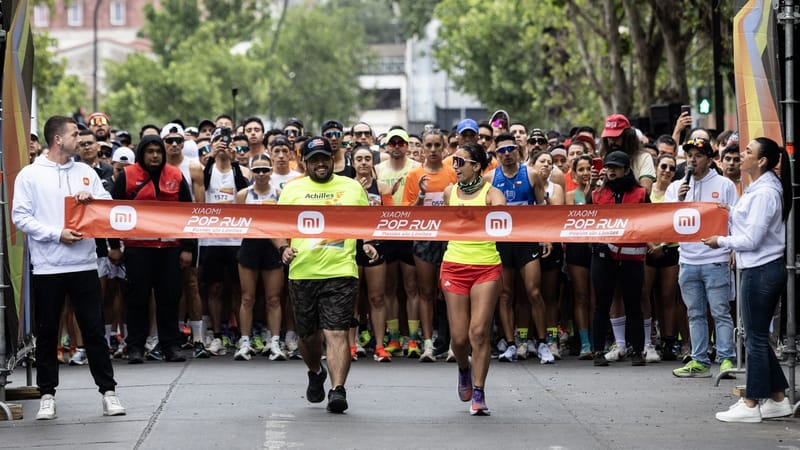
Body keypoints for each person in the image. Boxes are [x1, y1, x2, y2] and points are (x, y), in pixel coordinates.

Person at [12, 115, 126, 420]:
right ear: (58, 139)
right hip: (48, 266)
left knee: (93, 330)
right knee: (48, 332)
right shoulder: (30, 175)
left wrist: (91, 200)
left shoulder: (85, 172)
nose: (81, 139)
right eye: (75, 134)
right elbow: (20, 217)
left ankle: (109, 392)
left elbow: (107, 205)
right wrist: (55, 233)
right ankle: (47, 394)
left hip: (85, 264)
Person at [275, 136, 378, 414]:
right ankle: (315, 370)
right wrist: (283, 248)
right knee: (308, 338)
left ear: (332, 160)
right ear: (305, 163)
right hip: (303, 272)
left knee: (336, 332)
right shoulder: (291, 190)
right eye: (314, 160)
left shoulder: (352, 187)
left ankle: (338, 389)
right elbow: (276, 227)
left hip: (341, 271)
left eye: (325, 158)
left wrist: (366, 243)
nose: (320, 163)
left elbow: (365, 224)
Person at [703, 137, 793, 423]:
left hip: (761, 269)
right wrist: (732, 214)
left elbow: (752, 239)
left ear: (762, 161)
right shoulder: (760, 188)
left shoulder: (766, 192)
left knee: (754, 338)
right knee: (756, 337)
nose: (742, 155)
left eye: (748, 152)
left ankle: (751, 402)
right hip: (758, 268)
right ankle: (778, 399)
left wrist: (721, 241)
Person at [109, 134, 195, 364]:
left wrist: (188, 248)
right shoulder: (127, 175)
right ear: (142, 153)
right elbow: (112, 213)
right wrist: (114, 246)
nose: (155, 155)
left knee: (169, 298)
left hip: (170, 249)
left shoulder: (175, 175)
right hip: (138, 249)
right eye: (150, 151)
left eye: (158, 151)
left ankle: (171, 346)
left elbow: (189, 214)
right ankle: (135, 347)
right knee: (137, 299)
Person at [441, 142, 506, 416]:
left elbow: (505, 223)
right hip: (454, 266)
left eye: (460, 162)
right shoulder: (449, 193)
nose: (455, 167)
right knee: (458, 339)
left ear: (476, 166)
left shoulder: (493, 194)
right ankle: (464, 370)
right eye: (454, 161)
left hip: (486, 266)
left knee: (478, 332)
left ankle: (478, 392)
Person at [666, 137, 739, 378]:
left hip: (715, 259)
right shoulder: (677, 187)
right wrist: (679, 200)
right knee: (694, 312)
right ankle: (699, 359)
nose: (692, 160)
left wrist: (733, 249)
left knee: (719, 311)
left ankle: (726, 358)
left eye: (698, 155)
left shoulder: (725, 185)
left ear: (709, 159)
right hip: (687, 260)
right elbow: (666, 221)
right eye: (689, 156)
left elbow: (736, 219)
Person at [589, 151, 647, 367]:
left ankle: (638, 351)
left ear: (626, 169)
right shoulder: (597, 195)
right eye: (608, 167)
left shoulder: (641, 194)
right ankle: (598, 351)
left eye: (616, 167)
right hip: (603, 257)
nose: (611, 170)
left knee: (634, 304)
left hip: (632, 258)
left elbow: (650, 221)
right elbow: (585, 221)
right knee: (601, 304)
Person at [235, 155, 286, 361]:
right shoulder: (242, 195)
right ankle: (245, 341)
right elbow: (238, 221)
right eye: (257, 170)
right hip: (249, 247)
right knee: (247, 298)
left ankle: (274, 341)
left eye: (265, 169)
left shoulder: (280, 193)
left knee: (274, 299)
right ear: (251, 172)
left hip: (273, 248)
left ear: (271, 171)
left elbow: (285, 222)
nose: (262, 174)